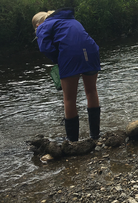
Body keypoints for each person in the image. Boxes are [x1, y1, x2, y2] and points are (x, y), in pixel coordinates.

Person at [32, 8, 101, 141]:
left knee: (69, 98)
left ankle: (72, 140)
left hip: (70, 55)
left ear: (37, 25)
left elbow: (45, 48)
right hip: (91, 51)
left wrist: (58, 60)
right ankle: (95, 136)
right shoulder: (71, 20)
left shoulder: (43, 27)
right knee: (91, 91)